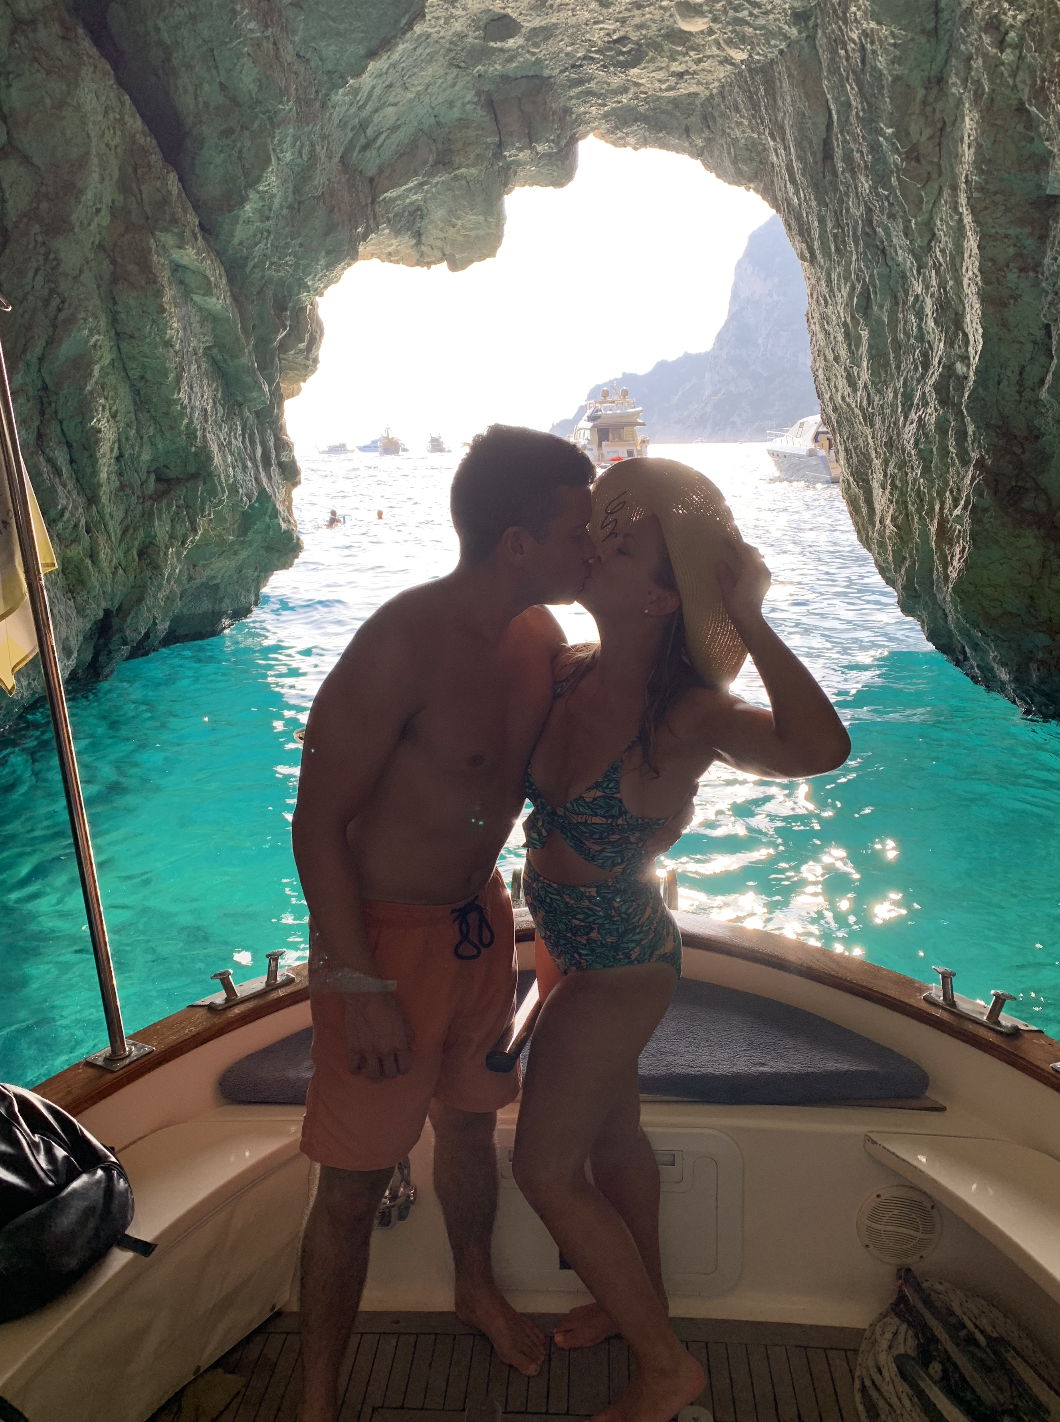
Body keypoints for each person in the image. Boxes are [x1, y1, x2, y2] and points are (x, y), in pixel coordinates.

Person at [511, 458, 851, 1422]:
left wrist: (749, 617)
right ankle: (642, 1308)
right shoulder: (568, 669)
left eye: (623, 546)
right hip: (566, 942)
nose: (598, 544)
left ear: (663, 600)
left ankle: (667, 1370)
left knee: (544, 1171)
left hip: (622, 965)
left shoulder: (688, 714)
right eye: (604, 530)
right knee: (614, 1138)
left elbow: (820, 749)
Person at [290, 426, 598, 1422]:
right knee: (351, 1188)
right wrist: (357, 984)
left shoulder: (540, 637)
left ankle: (474, 1286)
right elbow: (316, 826)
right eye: (578, 532)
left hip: (480, 923)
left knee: (468, 1125)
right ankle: (318, 1399)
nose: (589, 548)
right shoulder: (401, 645)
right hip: (384, 944)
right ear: (517, 543)